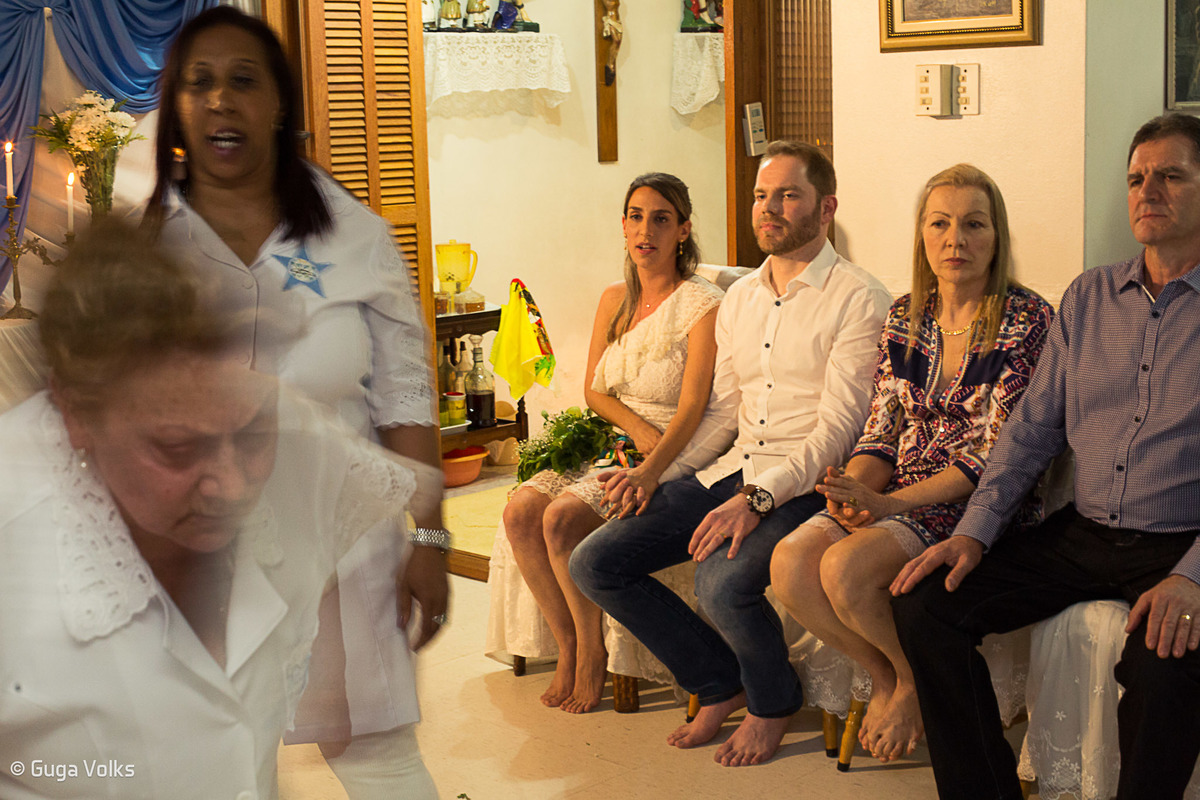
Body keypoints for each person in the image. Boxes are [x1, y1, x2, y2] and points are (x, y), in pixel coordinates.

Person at [0, 223, 437, 799]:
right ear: (77, 413)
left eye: (253, 434)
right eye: (178, 447)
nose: (231, 487)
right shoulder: (15, 543)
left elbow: (365, 493)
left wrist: (428, 543)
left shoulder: (303, 447)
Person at [143, 8, 446, 796]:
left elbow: (406, 394)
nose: (220, 99)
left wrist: (430, 537)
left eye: (243, 80)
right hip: (200, 549)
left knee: (375, 754)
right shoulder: (147, 246)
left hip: (341, 540)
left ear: (279, 102)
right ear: (176, 106)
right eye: (200, 82)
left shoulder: (355, 236)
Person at [890, 114, 1200, 800]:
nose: (1148, 191)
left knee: (1165, 663)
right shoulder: (1089, 297)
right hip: (1084, 534)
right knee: (927, 607)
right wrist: (974, 533)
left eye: (1171, 176)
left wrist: (1193, 578)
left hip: (1181, 541)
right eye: (1136, 179)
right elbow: (1029, 432)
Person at [571, 140, 892, 766]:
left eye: (788, 196)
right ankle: (719, 682)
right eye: (760, 196)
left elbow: (839, 429)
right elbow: (721, 415)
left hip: (804, 482)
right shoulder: (741, 296)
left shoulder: (859, 297)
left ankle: (773, 703)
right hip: (733, 467)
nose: (768, 209)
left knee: (720, 584)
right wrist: (654, 473)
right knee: (596, 561)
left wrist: (758, 498)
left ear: (826, 208)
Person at [769, 164, 1053, 764]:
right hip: (896, 492)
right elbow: (882, 431)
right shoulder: (905, 316)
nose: (956, 240)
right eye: (940, 224)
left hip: (977, 506)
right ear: (922, 235)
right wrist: (853, 490)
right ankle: (897, 676)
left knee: (844, 568)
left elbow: (994, 457)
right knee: (790, 562)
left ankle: (912, 684)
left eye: (974, 224)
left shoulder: (1025, 321)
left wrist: (887, 504)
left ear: (997, 236)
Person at [503, 172, 722, 713]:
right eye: (636, 217)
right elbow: (594, 391)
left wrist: (652, 450)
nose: (646, 231)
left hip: (667, 447)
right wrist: (632, 427)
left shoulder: (703, 304)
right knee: (520, 510)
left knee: (560, 518)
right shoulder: (613, 299)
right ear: (623, 226)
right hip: (611, 435)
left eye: (661, 219)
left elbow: (693, 406)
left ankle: (593, 651)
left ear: (683, 230)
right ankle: (568, 644)